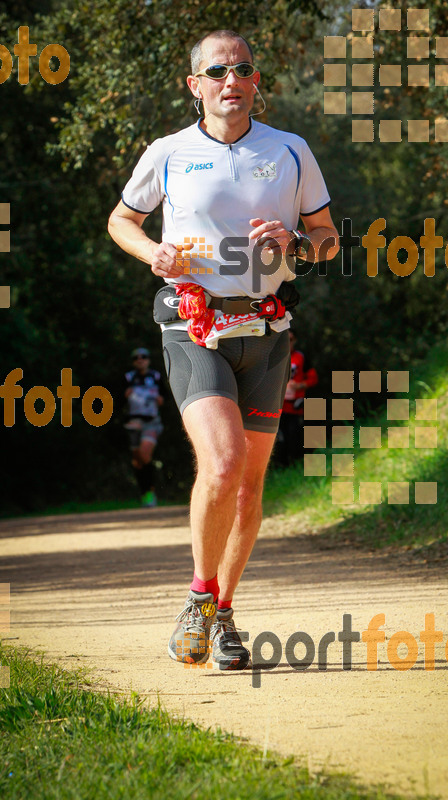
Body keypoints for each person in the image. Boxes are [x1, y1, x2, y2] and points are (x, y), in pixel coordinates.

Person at [108, 29, 339, 670]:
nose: (231, 80)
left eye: (243, 69)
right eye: (218, 71)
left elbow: (327, 240)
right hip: (192, 325)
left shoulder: (291, 151)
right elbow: (120, 220)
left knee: (248, 486)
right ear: (196, 85)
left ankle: (225, 613)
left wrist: (295, 238)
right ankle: (198, 596)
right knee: (223, 462)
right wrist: (150, 250)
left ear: (255, 80)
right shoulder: (169, 152)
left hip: (266, 330)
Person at [123, 347, 165, 507]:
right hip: (133, 423)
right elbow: (115, 401)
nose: (140, 360)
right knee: (137, 461)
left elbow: (165, 396)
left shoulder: (155, 376)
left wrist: (161, 399)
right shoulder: (128, 378)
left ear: (148, 360)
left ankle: (150, 492)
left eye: (144, 357)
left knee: (145, 455)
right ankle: (144, 492)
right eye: (136, 358)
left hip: (151, 422)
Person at [277, 331, 318, 465]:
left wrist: (299, 385)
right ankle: (282, 467)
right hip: (277, 407)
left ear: (294, 341)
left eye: (290, 339)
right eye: (284, 339)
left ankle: (299, 464)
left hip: (295, 406)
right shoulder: (273, 358)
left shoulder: (301, 357)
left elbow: (313, 378)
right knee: (278, 439)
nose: (287, 342)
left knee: (295, 435)